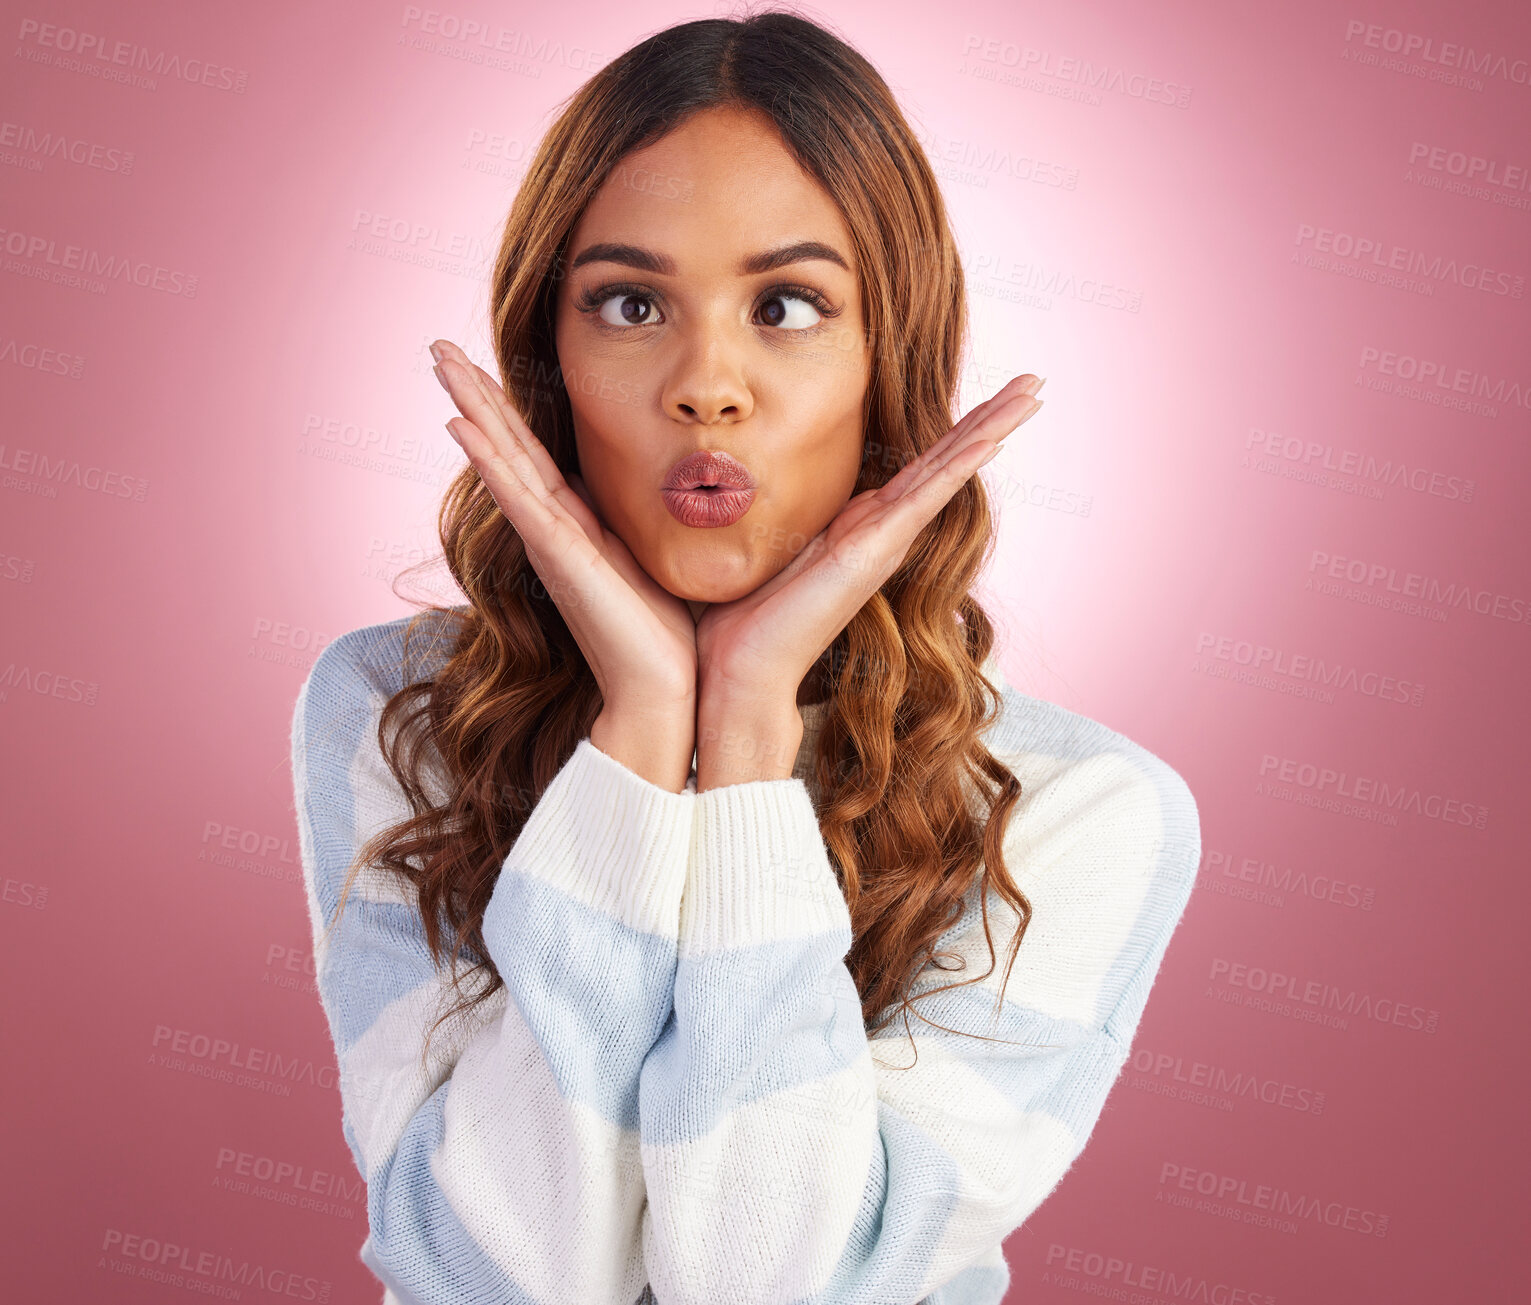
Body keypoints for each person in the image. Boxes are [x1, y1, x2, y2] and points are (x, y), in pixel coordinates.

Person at [290, 10, 1202, 1305]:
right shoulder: (398, 711)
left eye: (786, 304)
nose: (707, 384)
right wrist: (645, 731)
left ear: (891, 353)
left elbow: (776, 1286)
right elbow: (488, 1273)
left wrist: (750, 737)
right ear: (548, 361)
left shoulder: (1083, 810)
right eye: (628, 302)